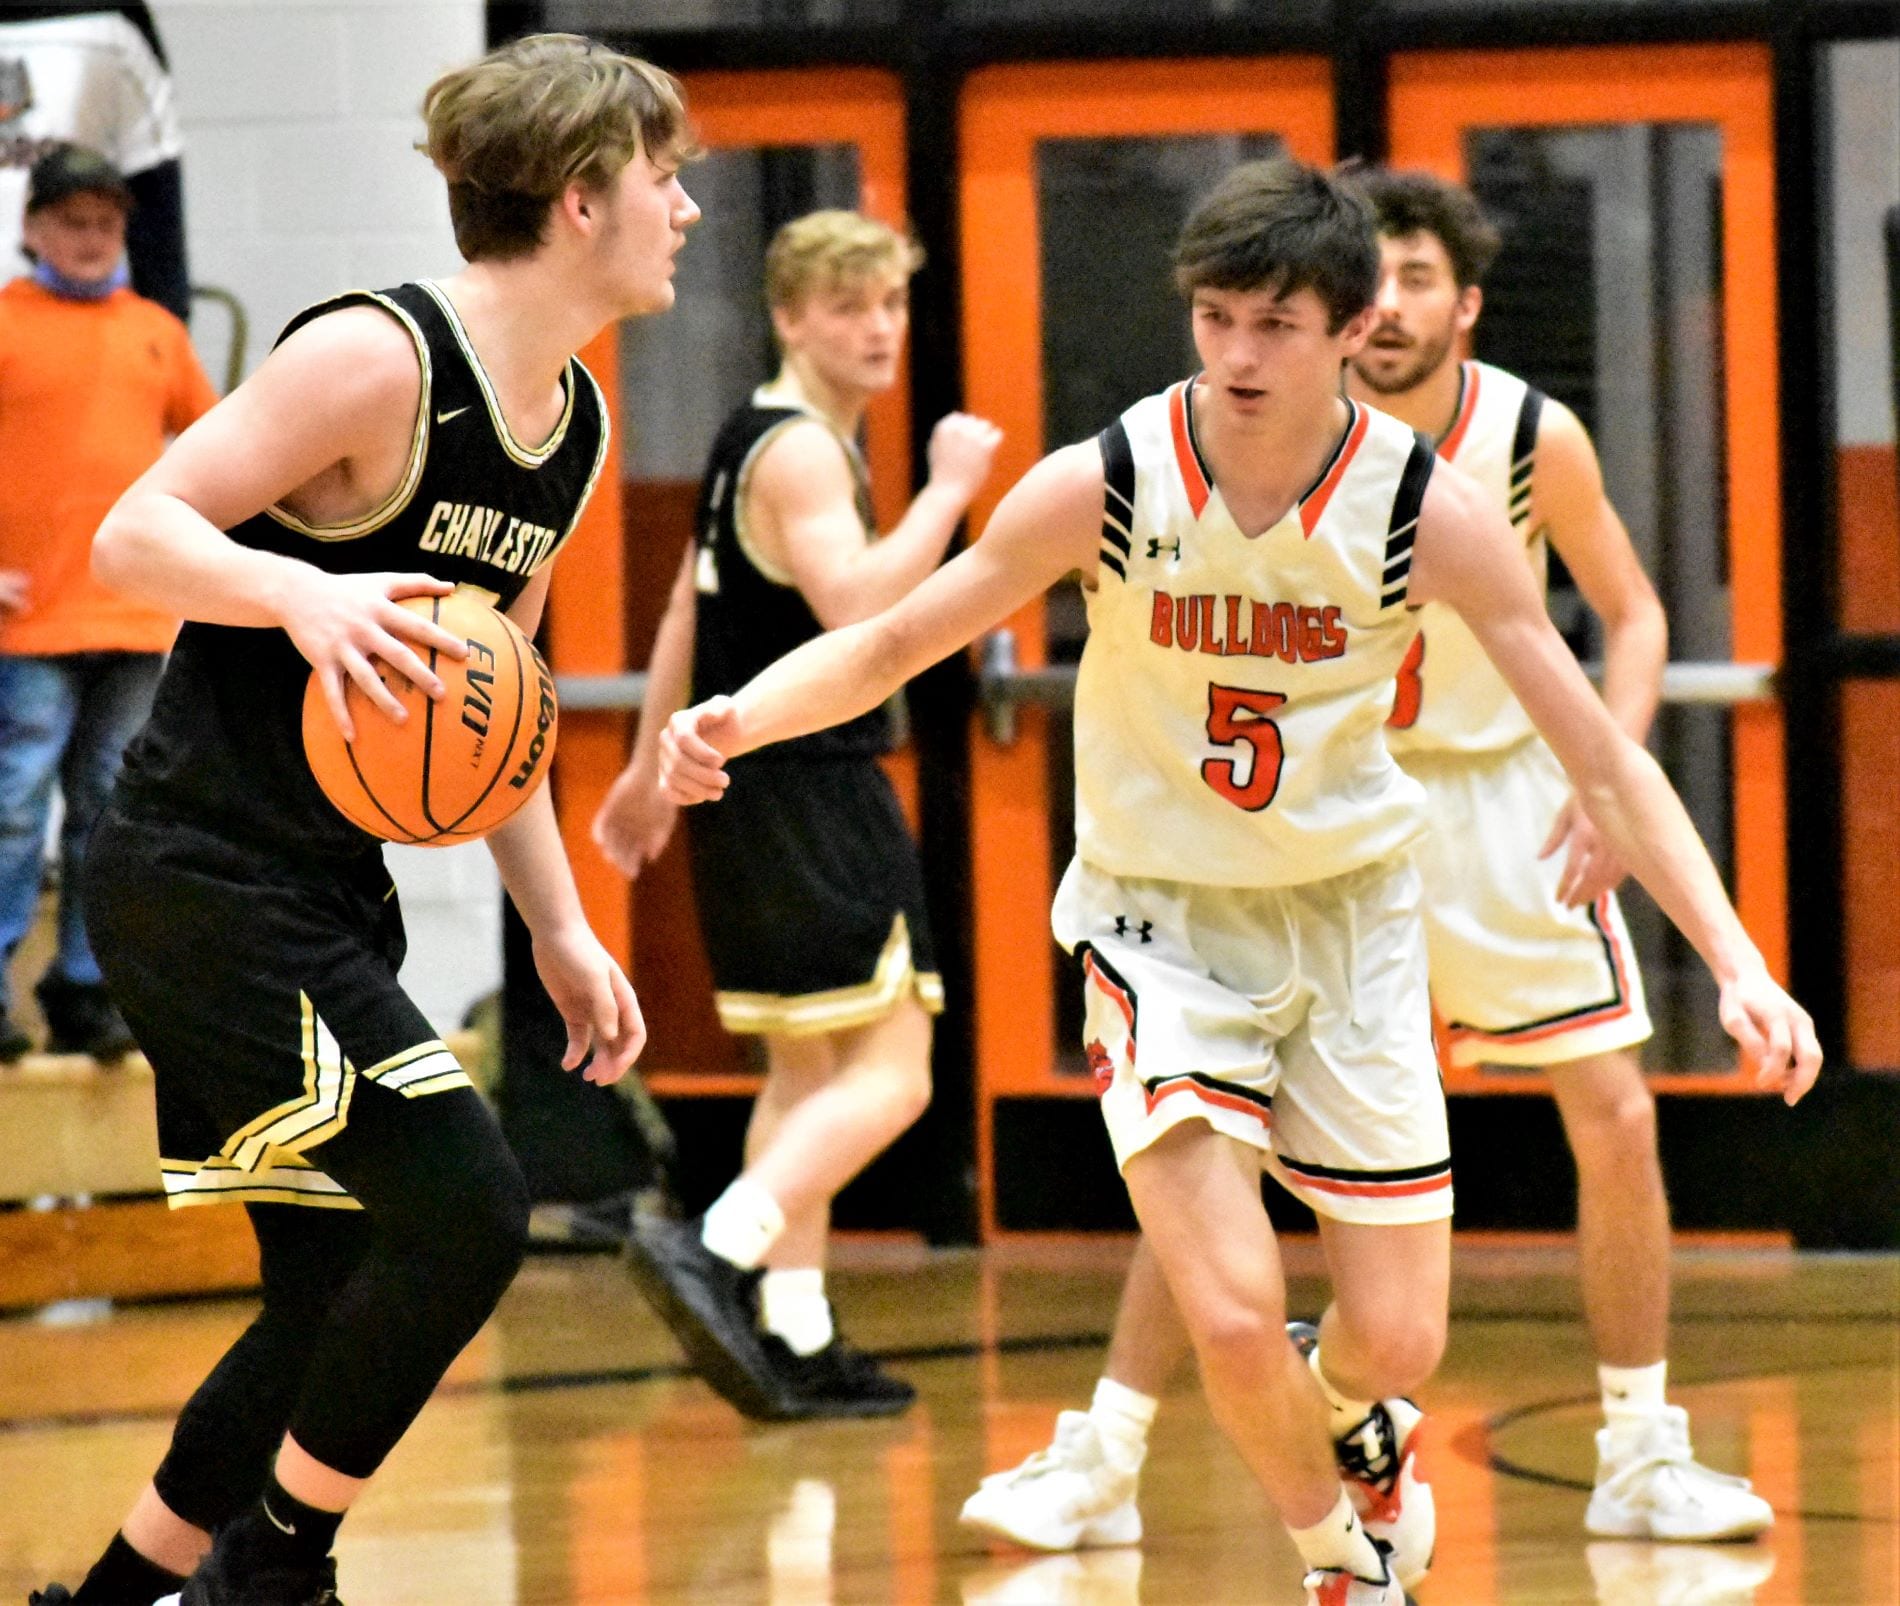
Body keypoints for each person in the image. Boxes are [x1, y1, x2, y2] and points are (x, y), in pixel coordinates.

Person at [657, 159, 1820, 1606]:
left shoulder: (1428, 509)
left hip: (1352, 917)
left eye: (1275, 323)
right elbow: (895, 637)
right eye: (1216, 318)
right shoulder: (1112, 478)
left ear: (1349, 327)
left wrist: (1738, 958)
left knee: (1394, 1340)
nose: (1239, 353)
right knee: (1229, 1301)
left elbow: (1600, 753)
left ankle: (1364, 1425)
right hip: (1162, 920)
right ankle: (1341, 1559)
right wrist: (732, 718)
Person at [958, 167, 1781, 1561]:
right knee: (1205, 1164)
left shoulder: (1513, 439)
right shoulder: (1168, 461)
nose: (1387, 307)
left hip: (1472, 818)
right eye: (1224, 316)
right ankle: (1116, 1448)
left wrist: (1640, 826)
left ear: (1440, 306)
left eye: (1409, 283)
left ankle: (1633, 1442)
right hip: (1246, 846)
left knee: (1603, 1124)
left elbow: (1627, 625)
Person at [34, 33, 674, 1606]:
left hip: (326, 885)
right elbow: (132, 534)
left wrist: (562, 925)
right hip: (199, 864)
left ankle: (119, 1598)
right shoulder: (376, 360)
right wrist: (296, 591)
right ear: (585, 200)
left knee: (332, 1275)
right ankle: (279, 1570)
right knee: (466, 1204)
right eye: (672, 180)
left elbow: (499, 710)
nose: (689, 214)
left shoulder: (572, 430)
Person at [595, 209, 1000, 1418]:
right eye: (846, 305)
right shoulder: (805, 452)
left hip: (743, 783)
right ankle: (716, 1243)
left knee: (805, 1066)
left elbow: (682, 611)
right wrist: (947, 493)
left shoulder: (743, 438)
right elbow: (859, 608)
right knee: (899, 1073)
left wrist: (640, 767)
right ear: (787, 316)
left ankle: (794, 1325)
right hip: (812, 785)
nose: (877, 328)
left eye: (889, 303)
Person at [0, 142, 216, 1063]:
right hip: (29, 621)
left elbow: (221, 448)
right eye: (74, 223)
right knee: (14, 804)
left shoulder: (156, 333)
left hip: (132, 617)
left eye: (107, 223)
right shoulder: (4, 324)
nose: (92, 239)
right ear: (33, 229)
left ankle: (87, 988)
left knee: (115, 809)